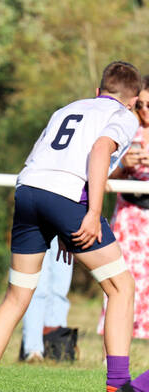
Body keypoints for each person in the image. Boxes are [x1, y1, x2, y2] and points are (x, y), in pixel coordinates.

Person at [0, 61, 141, 392]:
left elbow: (46, 158)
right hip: (67, 196)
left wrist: (58, 224)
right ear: (131, 100)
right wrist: (91, 213)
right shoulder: (124, 116)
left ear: (98, 91)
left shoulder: (68, 108)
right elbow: (100, 150)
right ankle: (118, 388)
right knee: (122, 288)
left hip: (27, 190)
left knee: (16, 297)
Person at [97, 75, 149, 342]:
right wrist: (124, 163)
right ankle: (114, 352)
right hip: (130, 215)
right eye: (141, 105)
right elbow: (101, 172)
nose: (144, 111)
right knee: (120, 281)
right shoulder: (127, 128)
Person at [19, 236, 74, 362]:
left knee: (60, 288)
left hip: (66, 223)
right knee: (37, 287)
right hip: (39, 223)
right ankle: (33, 349)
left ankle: (57, 345)